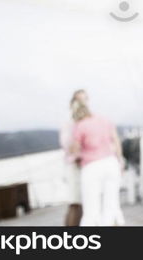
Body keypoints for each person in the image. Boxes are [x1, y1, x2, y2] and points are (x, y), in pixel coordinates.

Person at [70, 100, 125, 226]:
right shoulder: (104, 120)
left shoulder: (80, 125)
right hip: (111, 163)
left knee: (91, 208)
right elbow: (116, 141)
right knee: (111, 205)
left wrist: (75, 157)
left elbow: (75, 150)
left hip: (91, 166)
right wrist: (120, 160)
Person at [59, 89, 88, 226]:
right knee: (75, 205)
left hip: (85, 167)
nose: (83, 103)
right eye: (80, 100)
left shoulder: (84, 121)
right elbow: (67, 145)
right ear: (72, 103)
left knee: (81, 205)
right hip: (74, 167)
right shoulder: (70, 122)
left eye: (85, 99)